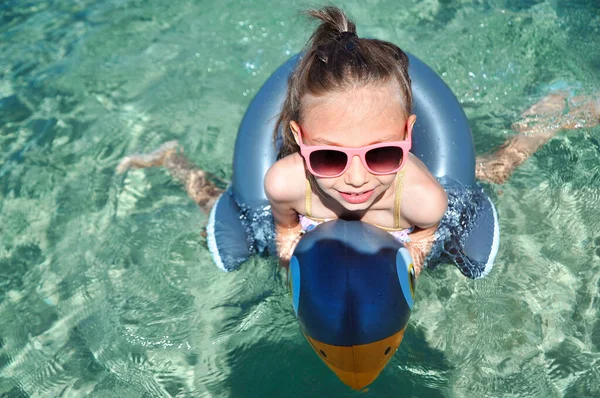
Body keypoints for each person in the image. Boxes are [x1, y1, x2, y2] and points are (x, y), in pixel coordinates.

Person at [116, 6, 599, 277]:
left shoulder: (424, 199)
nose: (355, 178)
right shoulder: (285, 182)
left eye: (382, 154)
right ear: (298, 140)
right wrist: (285, 236)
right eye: (328, 157)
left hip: (416, 189)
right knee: (214, 205)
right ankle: (174, 161)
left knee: (494, 170)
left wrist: (417, 251)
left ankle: (546, 122)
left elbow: (429, 230)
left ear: (409, 138)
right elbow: (283, 216)